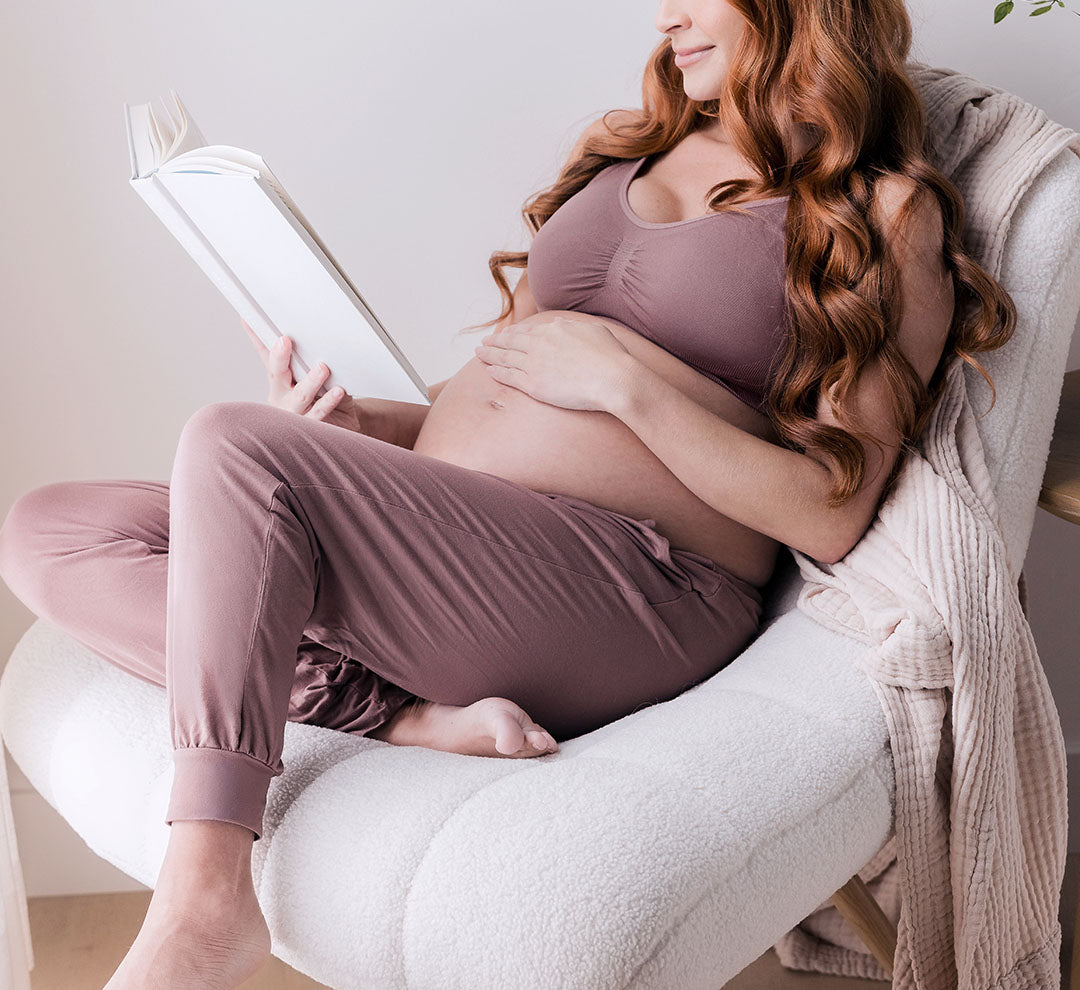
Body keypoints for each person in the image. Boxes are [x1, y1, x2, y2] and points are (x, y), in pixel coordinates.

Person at [0, 0, 1016, 986]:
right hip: (459, 549)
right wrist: (361, 434)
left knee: (230, 443)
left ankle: (205, 898)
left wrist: (627, 385)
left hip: (638, 587)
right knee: (50, 530)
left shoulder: (882, 211)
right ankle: (401, 717)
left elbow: (833, 510)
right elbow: (498, 384)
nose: (664, 19)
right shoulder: (629, 151)